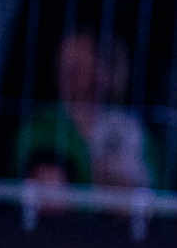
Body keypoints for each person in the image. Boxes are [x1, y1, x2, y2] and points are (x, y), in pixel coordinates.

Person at [12, 32, 156, 189]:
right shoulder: (40, 126)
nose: (69, 74)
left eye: (78, 66)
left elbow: (157, 187)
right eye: (64, 66)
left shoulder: (129, 126)